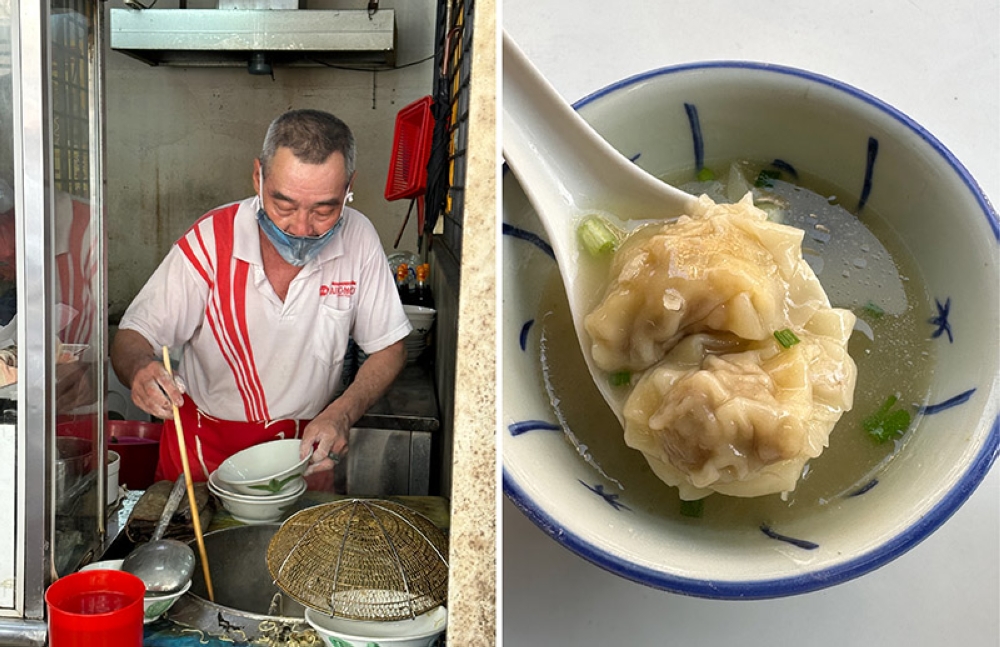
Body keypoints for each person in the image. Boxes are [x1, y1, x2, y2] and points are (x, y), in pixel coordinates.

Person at [110, 109, 411, 487]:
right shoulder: (210, 241)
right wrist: (140, 368)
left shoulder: (359, 238)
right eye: (284, 205)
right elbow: (132, 336)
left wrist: (342, 413)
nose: (302, 229)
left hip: (303, 454)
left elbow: (389, 347)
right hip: (204, 455)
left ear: (349, 186)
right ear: (258, 177)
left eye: (325, 209)